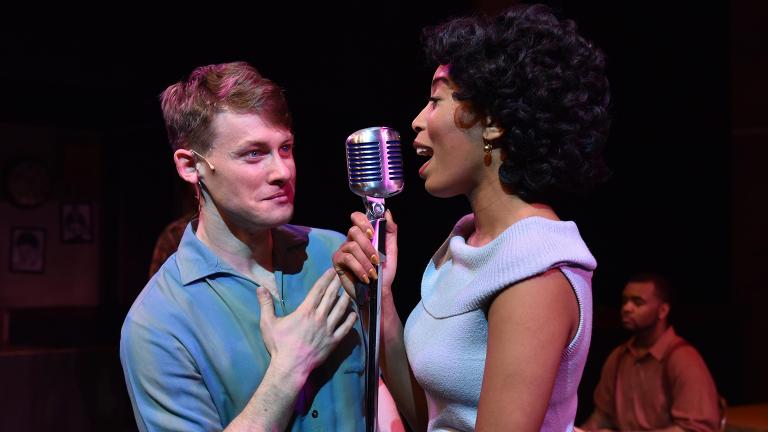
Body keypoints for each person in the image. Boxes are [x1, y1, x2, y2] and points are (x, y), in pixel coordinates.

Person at [333, 4, 611, 431]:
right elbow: (433, 416)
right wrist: (380, 301)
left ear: (494, 122)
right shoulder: (465, 244)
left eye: (435, 100)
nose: (417, 121)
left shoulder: (533, 265)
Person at [120, 61, 401, 432]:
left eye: (285, 148)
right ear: (191, 166)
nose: (282, 171)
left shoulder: (333, 254)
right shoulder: (158, 322)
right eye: (253, 153)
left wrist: (380, 304)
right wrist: (288, 370)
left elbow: (380, 389)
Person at [580, 274, 722, 431]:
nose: (627, 308)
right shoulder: (619, 357)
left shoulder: (682, 358)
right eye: (624, 301)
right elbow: (602, 417)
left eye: (637, 302)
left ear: (663, 310)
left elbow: (695, 428)